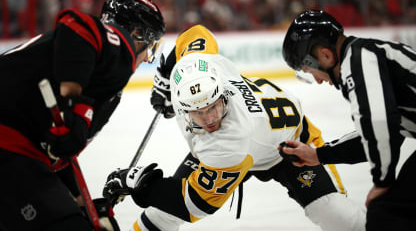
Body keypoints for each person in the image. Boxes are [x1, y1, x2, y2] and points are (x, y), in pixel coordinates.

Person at [103, 24, 366, 231]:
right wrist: (165, 78)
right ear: (180, 107)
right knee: (161, 214)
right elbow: (197, 32)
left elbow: (193, 205)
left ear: (223, 95)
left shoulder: (229, 141)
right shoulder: (198, 65)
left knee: (336, 216)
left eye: (214, 106)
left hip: (292, 145)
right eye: (198, 112)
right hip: (256, 132)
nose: (209, 120)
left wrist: (138, 184)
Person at [0, 0, 165, 230]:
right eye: (151, 44)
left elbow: (61, 156)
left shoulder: (107, 90)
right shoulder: (118, 50)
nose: (148, 57)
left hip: (20, 154)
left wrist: (85, 207)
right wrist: (73, 101)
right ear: (136, 33)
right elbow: (75, 24)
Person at [281, 10, 416, 231]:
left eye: (311, 70)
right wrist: (317, 155)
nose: (317, 80)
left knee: (387, 213)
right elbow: (377, 132)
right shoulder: (366, 54)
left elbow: (379, 122)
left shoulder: (359, 58)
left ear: (326, 56)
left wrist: (383, 181)